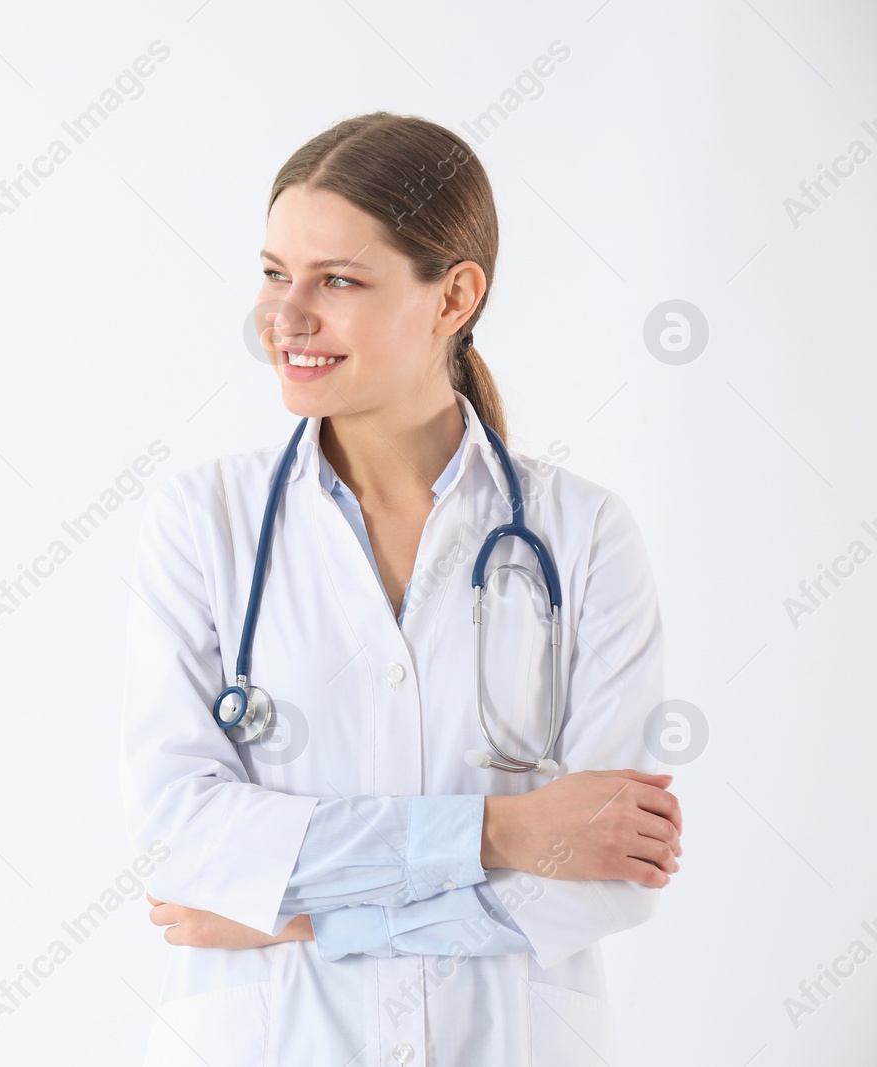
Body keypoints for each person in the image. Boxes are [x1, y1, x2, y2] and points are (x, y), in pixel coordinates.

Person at [119, 111, 682, 1066]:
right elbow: (185, 840)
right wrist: (505, 829)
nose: (284, 317)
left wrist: (302, 918)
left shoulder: (583, 535)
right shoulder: (202, 519)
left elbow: (607, 876)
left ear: (455, 295)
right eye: (273, 273)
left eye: (337, 280)